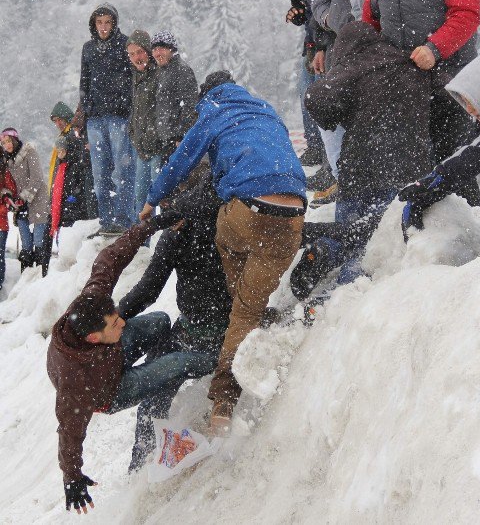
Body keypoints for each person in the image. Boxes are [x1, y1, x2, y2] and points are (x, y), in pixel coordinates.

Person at [139, 71, 306, 434]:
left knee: (226, 238)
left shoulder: (213, 110)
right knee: (247, 310)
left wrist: (153, 198)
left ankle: (222, 406)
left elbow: (182, 159)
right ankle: (227, 392)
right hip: (293, 214)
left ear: (207, 96)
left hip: (247, 209)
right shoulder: (265, 110)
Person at [46, 214, 215, 514]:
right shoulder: (77, 384)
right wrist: (71, 477)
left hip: (110, 355)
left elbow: (112, 257)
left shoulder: (93, 299)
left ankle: (156, 369)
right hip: (110, 389)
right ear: (95, 338)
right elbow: (69, 432)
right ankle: (222, 358)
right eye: (115, 323)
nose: (122, 321)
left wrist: (149, 226)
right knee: (175, 363)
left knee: (160, 321)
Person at [291, 22, 433, 300]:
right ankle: (348, 294)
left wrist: (341, 115)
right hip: (406, 171)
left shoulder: (353, 65)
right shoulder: (407, 61)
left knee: (350, 233)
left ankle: (332, 265)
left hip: (359, 168)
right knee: (374, 237)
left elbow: (315, 97)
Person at [364, 0, 480, 205]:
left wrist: (435, 47)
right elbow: (371, 23)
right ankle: (414, 227)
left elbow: (466, 14)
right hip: (404, 82)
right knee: (407, 161)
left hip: (452, 77)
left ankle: (466, 230)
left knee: (453, 159)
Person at [118, 167, 233, 471]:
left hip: (204, 336)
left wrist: (118, 316)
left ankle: (139, 467)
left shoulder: (176, 237)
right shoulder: (230, 219)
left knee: (153, 400)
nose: (166, 218)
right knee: (161, 369)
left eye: (167, 210)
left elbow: (147, 291)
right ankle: (143, 465)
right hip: (228, 328)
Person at [399, 54, 480, 250]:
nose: (468, 108)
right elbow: (464, 158)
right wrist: (430, 190)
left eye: (469, 99)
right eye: (463, 102)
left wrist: (436, 181)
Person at [247, 0, 325, 167]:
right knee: (305, 88)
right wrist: (297, 14)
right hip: (312, 31)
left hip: (322, 30)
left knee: (316, 89)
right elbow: (303, 4)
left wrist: (313, 31)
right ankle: (315, 148)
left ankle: (323, 153)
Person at [307, 0, 355, 200]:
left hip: (370, 48)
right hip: (341, 47)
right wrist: (328, 18)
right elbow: (318, 0)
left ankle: (350, 179)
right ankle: (341, 176)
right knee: (329, 115)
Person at [79, 2, 135, 238]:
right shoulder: (88, 48)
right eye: (99, 22)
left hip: (119, 118)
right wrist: (84, 114)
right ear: (94, 24)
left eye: (107, 22)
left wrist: (127, 107)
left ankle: (123, 219)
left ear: (114, 24)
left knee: (122, 170)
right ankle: (106, 220)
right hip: (95, 119)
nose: (103, 27)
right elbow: (84, 81)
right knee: (99, 173)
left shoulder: (124, 45)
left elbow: (133, 78)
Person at [0, 128, 50, 273]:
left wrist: (24, 196)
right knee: (26, 245)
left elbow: (37, 177)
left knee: (39, 241)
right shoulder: (6, 160)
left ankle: (41, 275)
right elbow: (6, 184)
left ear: (14, 140)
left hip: (38, 201)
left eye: (8, 141)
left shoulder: (29, 152)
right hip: (20, 205)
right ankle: (26, 278)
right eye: (3, 143)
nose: (7, 145)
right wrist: (7, 195)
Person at [126, 30, 163, 221]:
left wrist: (154, 135)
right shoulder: (135, 77)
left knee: (159, 197)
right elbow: (137, 111)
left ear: (148, 51)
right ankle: (140, 243)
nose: (136, 58)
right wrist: (132, 132)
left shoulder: (159, 74)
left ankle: (161, 242)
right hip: (141, 149)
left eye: (139, 52)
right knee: (140, 198)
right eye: (131, 54)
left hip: (157, 148)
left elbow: (162, 113)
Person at [151, 30, 198, 160]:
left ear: (172, 49)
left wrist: (181, 136)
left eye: (161, 48)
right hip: (165, 140)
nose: (157, 53)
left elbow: (190, 106)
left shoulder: (181, 70)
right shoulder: (163, 70)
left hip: (176, 143)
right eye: (154, 49)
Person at [49, 136, 89, 238]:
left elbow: (82, 183)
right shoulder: (61, 166)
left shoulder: (76, 165)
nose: (60, 154)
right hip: (65, 209)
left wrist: (74, 196)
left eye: (62, 150)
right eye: (58, 151)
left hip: (74, 209)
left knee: (69, 239)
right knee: (63, 239)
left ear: (68, 149)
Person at [0, 148, 17, 291]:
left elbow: (10, 191)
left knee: (0, 254)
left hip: (1, 222)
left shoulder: (4, 172)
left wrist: (5, 198)